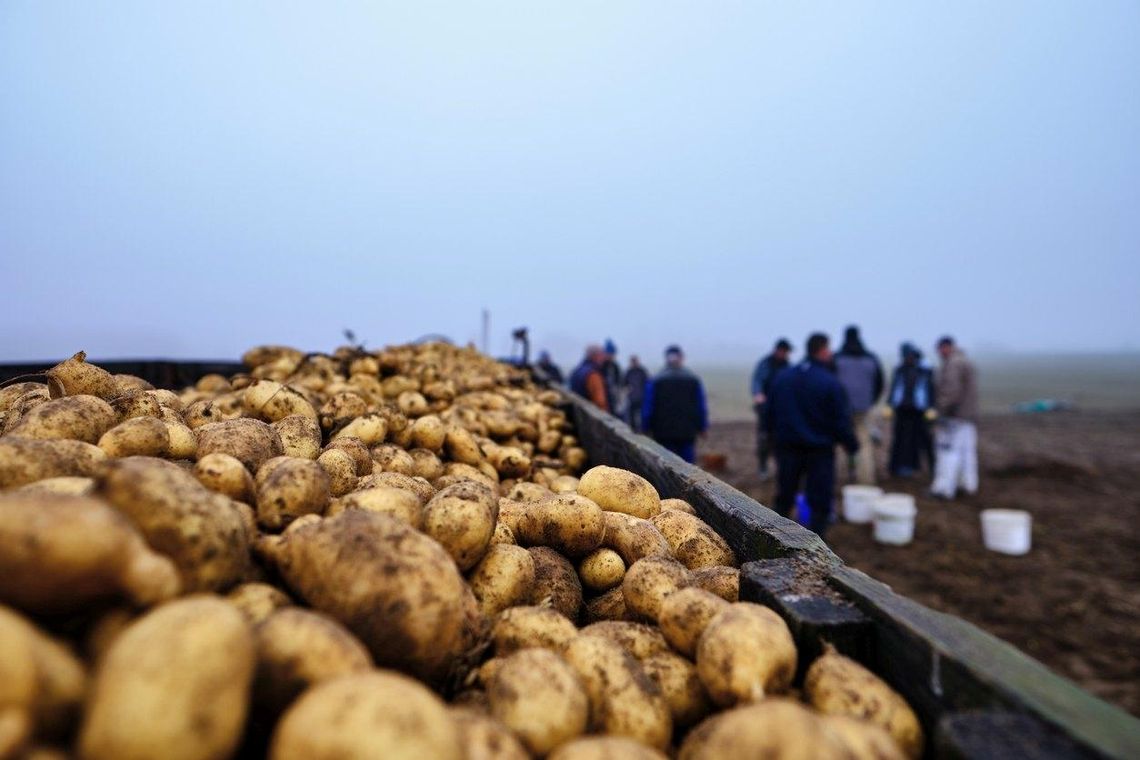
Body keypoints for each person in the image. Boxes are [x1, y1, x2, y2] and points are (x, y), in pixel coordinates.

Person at [767, 332, 859, 539]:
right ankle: (815, 544)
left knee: (784, 495)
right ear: (823, 350)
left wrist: (770, 436)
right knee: (819, 502)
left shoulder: (783, 377)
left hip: (787, 448)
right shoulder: (830, 383)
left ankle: (774, 538)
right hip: (820, 451)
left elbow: (769, 412)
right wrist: (851, 444)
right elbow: (840, 420)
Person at [833, 325, 884, 485]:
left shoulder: (837, 358)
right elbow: (879, 383)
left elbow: (829, 384)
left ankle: (833, 480)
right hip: (863, 409)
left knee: (836, 443)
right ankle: (865, 480)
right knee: (863, 444)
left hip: (840, 410)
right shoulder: (871, 358)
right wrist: (870, 401)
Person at [930, 336, 979, 499]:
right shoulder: (964, 361)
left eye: (941, 348)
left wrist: (939, 410)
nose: (940, 352)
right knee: (967, 453)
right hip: (967, 416)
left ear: (948, 347)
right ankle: (968, 484)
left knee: (948, 452)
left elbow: (951, 392)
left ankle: (944, 489)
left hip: (954, 416)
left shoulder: (953, 364)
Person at [641, 345, 708, 463]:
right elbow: (700, 406)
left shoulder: (656, 380)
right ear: (681, 358)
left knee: (665, 464)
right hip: (687, 431)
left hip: (662, 431)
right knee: (688, 466)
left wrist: (645, 427)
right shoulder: (693, 380)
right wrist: (702, 427)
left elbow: (648, 406)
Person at [886, 343, 936, 477]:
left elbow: (930, 390)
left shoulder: (925, 370)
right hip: (901, 409)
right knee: (899, 439)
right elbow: (895, 388)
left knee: (920, 440)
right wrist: (889, 404)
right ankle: (896, 467)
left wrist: (931, 407)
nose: (907, 358)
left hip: (919, 411)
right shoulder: (900, 369)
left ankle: (927, 468)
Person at [750, 338, 793, 480]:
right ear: (778, 350)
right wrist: (758, 395)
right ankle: (763, 467)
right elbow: (757, 381)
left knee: (782, 439)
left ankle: (782, 467)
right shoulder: (765, 364)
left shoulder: (788, 366)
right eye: (784, 351)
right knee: (764, 437)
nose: (785, 354)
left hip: (783, 408)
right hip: (766, 408)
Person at [569, 345, 609, 412]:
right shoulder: (593, 375)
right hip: (589, 416)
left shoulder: (577, 371)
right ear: (596, 356)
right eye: (602, 354)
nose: (604, 357)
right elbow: (600, 402)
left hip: (577, 411)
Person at [623, 355, 649, 431]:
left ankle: (643, 429)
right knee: (632, 415)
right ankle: (634, 429)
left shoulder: (642, 371)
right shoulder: (628, 372)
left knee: (642, 415)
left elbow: (647, 383)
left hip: (641, 397)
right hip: (632, 397)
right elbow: (624, 383)